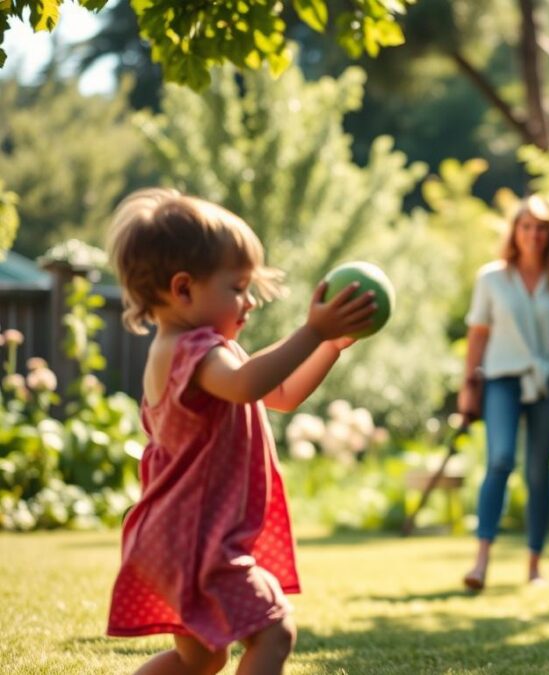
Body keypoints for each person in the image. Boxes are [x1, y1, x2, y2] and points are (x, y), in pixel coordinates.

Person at [104, 187, 376, 675]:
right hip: (196, 542)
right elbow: (251, 385)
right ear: (183, 289)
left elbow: (282, 394)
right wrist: (310, 331)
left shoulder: (203, 351)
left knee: (202, 659)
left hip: (176, 538)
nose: (248, 303)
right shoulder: (196, 352)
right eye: (237, 287)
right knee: (274, 633)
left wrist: (329, 346)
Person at [458, 194, 549, 591]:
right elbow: (477, 334)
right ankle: (480, 562)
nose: (534, 235)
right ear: (515, 231)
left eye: (541, 228)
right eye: (526, 227)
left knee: (538, 471)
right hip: (502, 378)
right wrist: (467, 389)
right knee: (499, 460)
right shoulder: (491, 278)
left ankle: (534, 566)